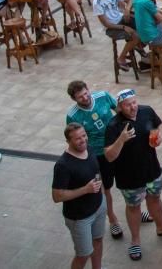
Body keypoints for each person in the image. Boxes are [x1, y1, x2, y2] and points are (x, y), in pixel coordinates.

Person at [102, 89, 162, 261]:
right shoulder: (114, 125)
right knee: (134, 207)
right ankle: (135, 240)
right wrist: (121, 139)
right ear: (120, 107)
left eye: (134, 102)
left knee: (155, 199)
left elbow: (160, 125)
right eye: (128, 105)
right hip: (129, 177)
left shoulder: (146, 111)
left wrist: (160, 136)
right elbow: (108, 155)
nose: (133, 107)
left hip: (152, 169)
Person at [65, 82, 123, 241]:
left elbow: (119, 110)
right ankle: (112, 220)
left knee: (129, 181)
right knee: (105, 189)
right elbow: (74, 140)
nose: (85, 98)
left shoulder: (103, 96)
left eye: (85, 93)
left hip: (117, 145)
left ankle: (134, 207)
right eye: (80, 97)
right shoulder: (73, 115)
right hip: (97, 156)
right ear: (74, 99)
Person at [52, 123, 107, 269]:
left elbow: (96, 171)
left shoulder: (89, 149)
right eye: (77, 139)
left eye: (84, 135)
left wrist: (101, 193)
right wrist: (85, 190)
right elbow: (57, 196)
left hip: (98, 207)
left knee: (98, 240)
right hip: (79, 217)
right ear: (68, 142)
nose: (83, 140)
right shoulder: (63, 165)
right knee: (83, 254)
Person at [91, 0, 142, 72]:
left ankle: (138, 47)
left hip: (121, 18)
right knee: (136, 36)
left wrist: (127, 9)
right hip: (112, 27)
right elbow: (106, 24)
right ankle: (121, 58)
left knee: (142, 24)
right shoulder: (97, 3)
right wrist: (124, 27)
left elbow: (129, 0)